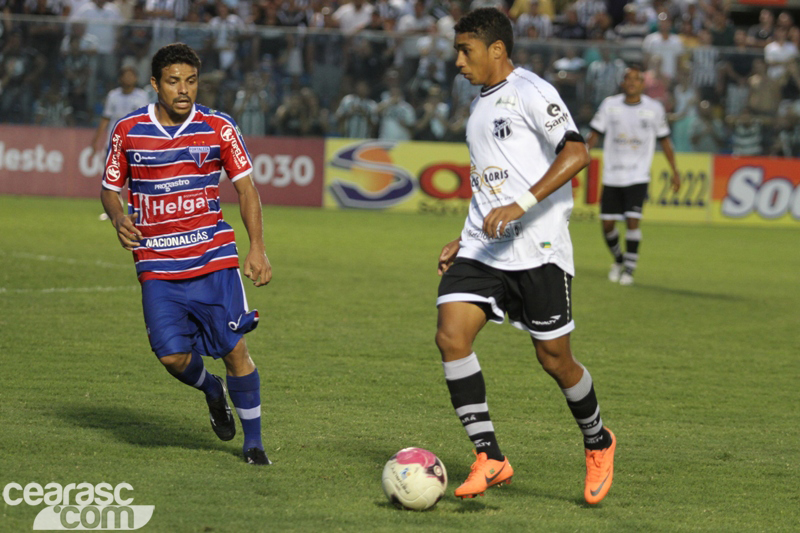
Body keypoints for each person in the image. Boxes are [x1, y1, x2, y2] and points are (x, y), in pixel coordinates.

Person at [436, 8, 616, 506]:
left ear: (497, 49)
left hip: (538, 249)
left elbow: (576, 153)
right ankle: (489, 456)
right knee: (451, 335)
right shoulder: (479, 108)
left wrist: (523, 204)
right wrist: (462, 236)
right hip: (483, 248)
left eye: (465, 50)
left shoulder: (532, 91)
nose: (458, 61)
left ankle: (599, 441)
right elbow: (492, 184)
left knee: (555, 359)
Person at [100, 43, 273, 465]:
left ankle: (254, 446)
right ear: (155, 84)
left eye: (191, 81)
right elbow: (109, 189)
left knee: (235, 350)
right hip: (156, 262)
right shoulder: (128, 130)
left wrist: (257, 249)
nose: (184, 90)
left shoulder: (219, 126)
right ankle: (212, 390)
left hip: (213, 257)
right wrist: (120, 216)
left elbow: (246, 188)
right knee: (173, 356)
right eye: (174, 81)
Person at [586, 66, 680, 286]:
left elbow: (665, 140)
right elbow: (594, 135)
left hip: (638, 176)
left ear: (642, 84)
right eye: (628, 79)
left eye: (636, 79)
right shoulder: (610, 105)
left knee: (632, 221)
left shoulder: (654, 108)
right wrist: (581, 156)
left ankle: (629, 269)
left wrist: (675, 171)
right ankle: (619, 259)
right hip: (612, 174)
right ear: (622, 82)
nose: (632, 82)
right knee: (607, 225)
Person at [89, 66, 151, 160]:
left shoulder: (142, 96)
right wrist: (95, 140)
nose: (128, 78)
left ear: (136, 78)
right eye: (125, 76)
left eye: (131, 76)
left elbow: (146, 120)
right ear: (120, 78)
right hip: (115, 142)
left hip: (134, 144)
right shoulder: (113, 95)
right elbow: (106, 119)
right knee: (113, 173)